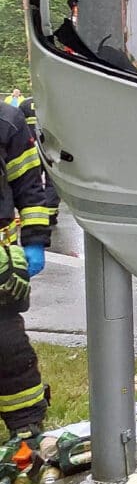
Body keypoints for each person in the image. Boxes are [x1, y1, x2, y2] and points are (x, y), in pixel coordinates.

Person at [0, 103, 51, 439]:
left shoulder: (7, 122)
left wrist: (34, 239)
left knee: (8, 346)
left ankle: (26, 425)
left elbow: (31, 188)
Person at [17, 98, 59, 225]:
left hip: (30, 147)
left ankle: (33, 216)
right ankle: (51, 215)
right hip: (50, 148)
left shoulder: (24, 104)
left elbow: (19, 127)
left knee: (32, 183)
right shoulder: (52, 101)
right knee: (52, 181)